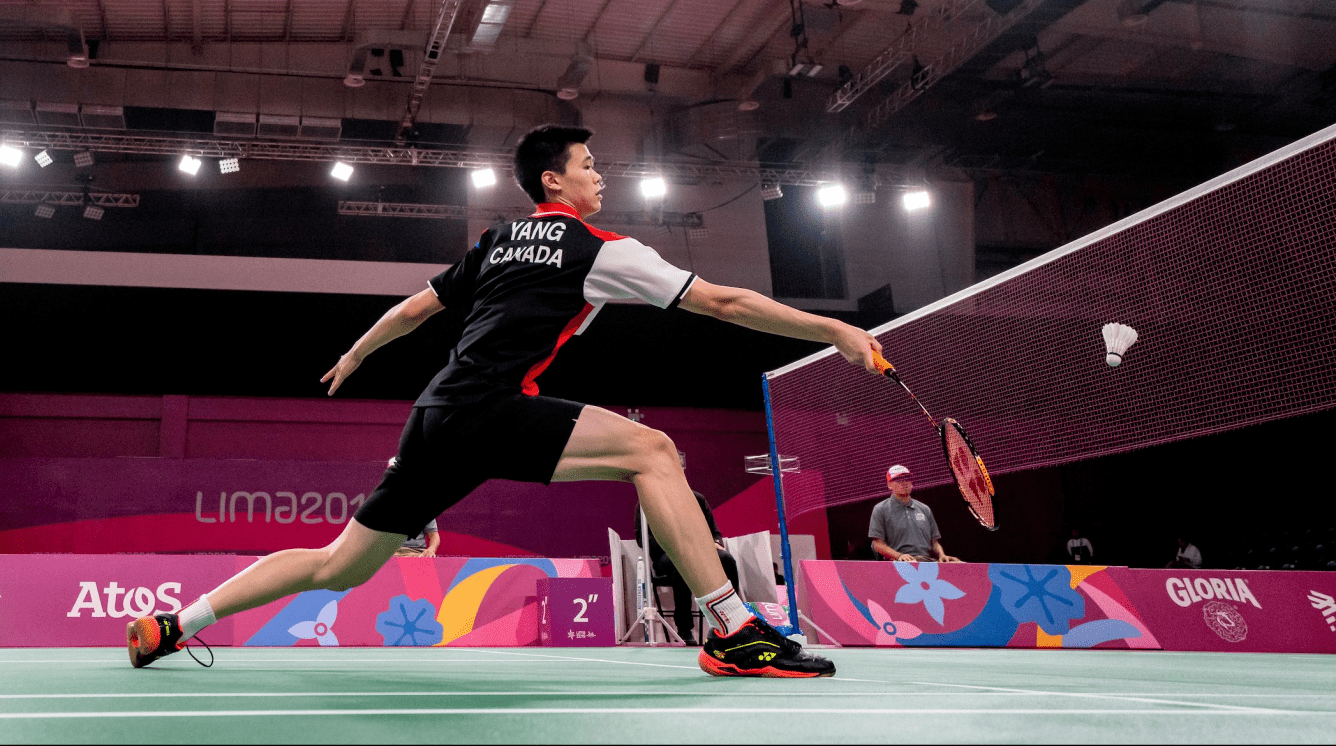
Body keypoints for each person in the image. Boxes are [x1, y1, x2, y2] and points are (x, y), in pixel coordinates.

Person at [125, 124, 885, 678]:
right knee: (653, 452)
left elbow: (417, 309)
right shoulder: (601, 249)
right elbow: (718, 302)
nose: (601, 178)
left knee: (337, 566)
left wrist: (356, 354)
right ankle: (730, 628)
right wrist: (831, 331)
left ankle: (174, 624)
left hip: (434, 414)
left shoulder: (497, 240)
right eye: (590, 166)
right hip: (491, 406)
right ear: (554, 181)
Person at [634, 490, 739, 645]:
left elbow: (714, 532)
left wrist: (716, 543)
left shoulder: (697, 498)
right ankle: (684, 628)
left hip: (699, 552)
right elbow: (642, 539)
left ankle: (735, 620)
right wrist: (673, 547)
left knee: (727, 559)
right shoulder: (647, 501)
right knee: (683, 563)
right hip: (666, 556)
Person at [869, 465, 961, 563]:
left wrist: (942, 555)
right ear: (889, 485)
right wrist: (899, 556)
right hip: (898, 563)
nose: (904, 483)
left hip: (927, 561)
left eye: (907, 479)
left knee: (959, 565)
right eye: (899, 480)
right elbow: (877, 544)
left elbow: (934, 542)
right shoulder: (881, 509)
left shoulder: (924, 509)